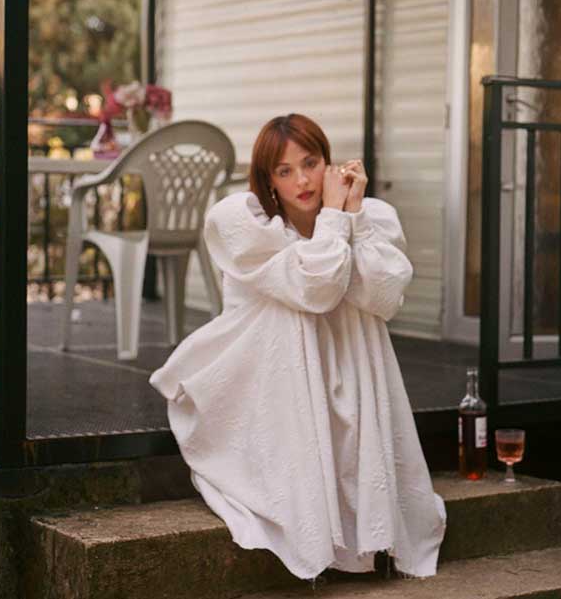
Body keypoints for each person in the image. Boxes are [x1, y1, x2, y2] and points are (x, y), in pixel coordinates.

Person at [148, 113, 447, 581]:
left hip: (348, 360)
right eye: (285, 171)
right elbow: (316, 289)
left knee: (356, 309)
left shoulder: (373, 215)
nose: (303, 181)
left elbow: (383, 298)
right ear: (268, 180)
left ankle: (362, 516)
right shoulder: (248, 226)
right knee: (300, 312)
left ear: (328, 162)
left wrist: (353, 215)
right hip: (266, 365)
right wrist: (335, 218)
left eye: (310, 163)